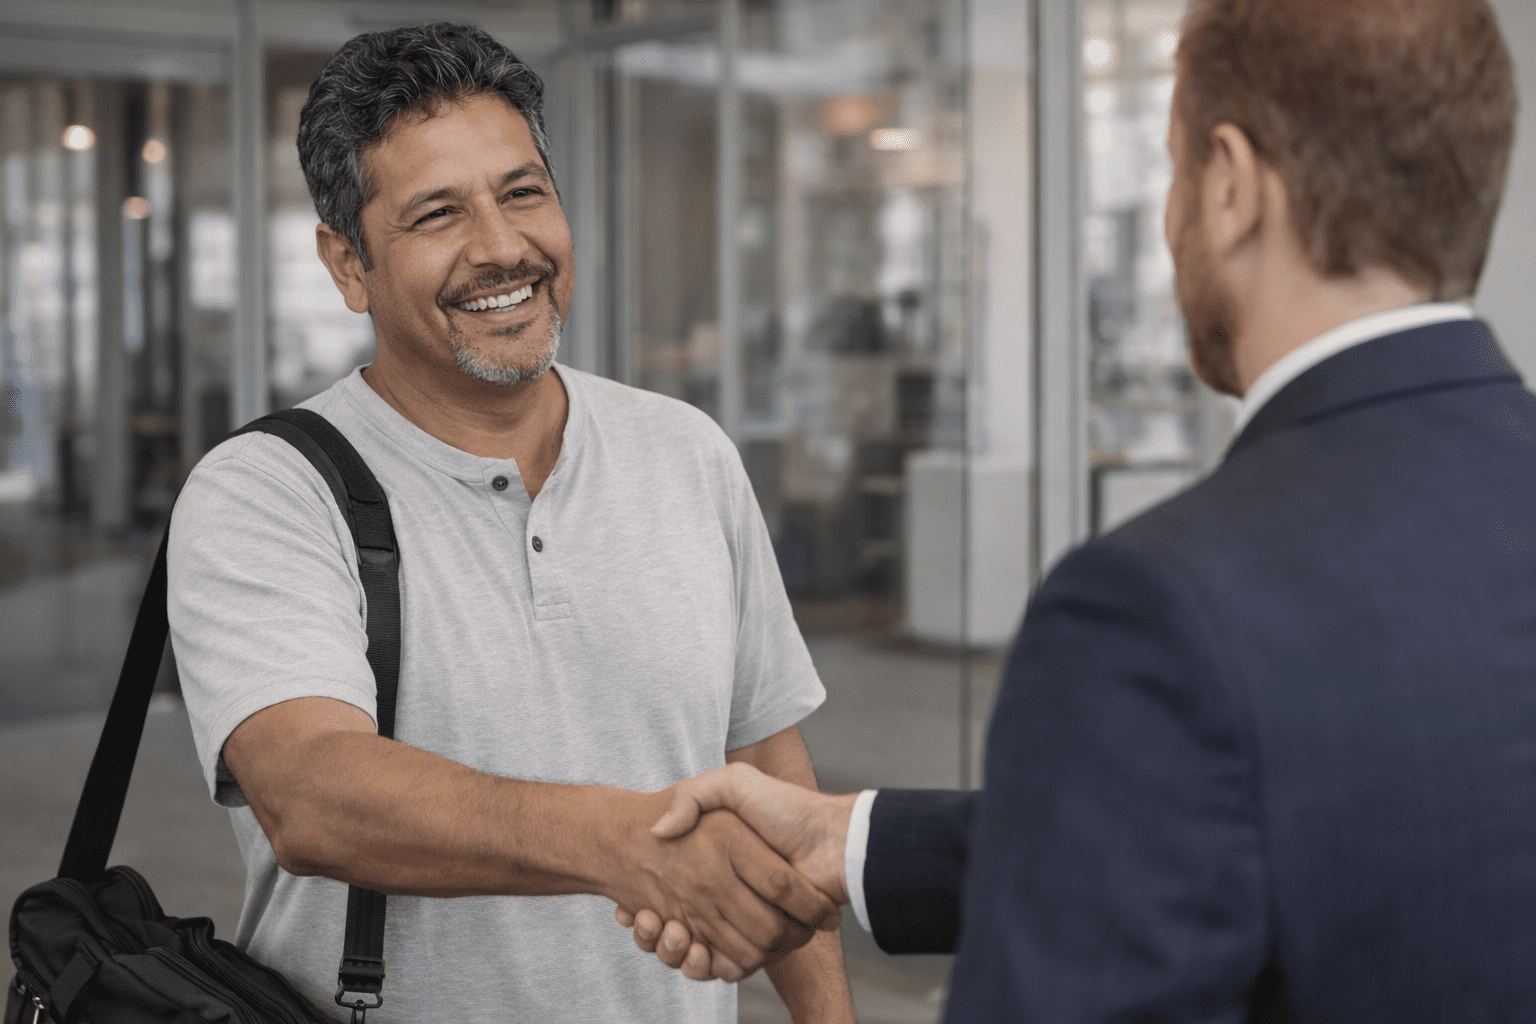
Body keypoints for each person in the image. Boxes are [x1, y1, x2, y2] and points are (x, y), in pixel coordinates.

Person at [619, 0, 1532, 1018]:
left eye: (1175, 171)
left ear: (1230, 187)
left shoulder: (1159, 607)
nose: (1175, 211)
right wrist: (856, 842)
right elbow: (1362, 821)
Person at [167, 23, 856, 1024]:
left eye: (523, 191)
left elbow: (768, 772)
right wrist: (630, 847)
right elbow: (311, 794)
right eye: (438, 212)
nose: (502, 248)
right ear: (348, 263)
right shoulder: (264, 491)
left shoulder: (686, 453)